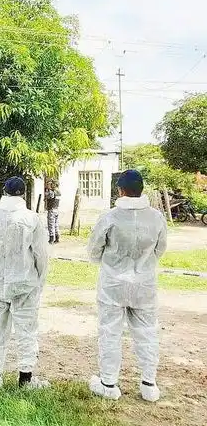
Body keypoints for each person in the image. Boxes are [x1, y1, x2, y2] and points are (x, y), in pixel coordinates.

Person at [87, 169, 167, 402]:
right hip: (144, 284)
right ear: (141, 189)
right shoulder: (156, 217)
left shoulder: (110, 217)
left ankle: (108, 383)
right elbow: (160, 249)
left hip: (112, 284)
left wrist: (111, 261)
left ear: (120, 190)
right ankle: (149, 384)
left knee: (110, 332)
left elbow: (94, 251)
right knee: (147, 332)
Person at [0, 177, 49, 389]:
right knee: (27, 330)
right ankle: (25, 378)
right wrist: (39, 280)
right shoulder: (31, 219)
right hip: (24, 283)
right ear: (23, 194)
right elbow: (41, 254)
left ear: (4, 191)